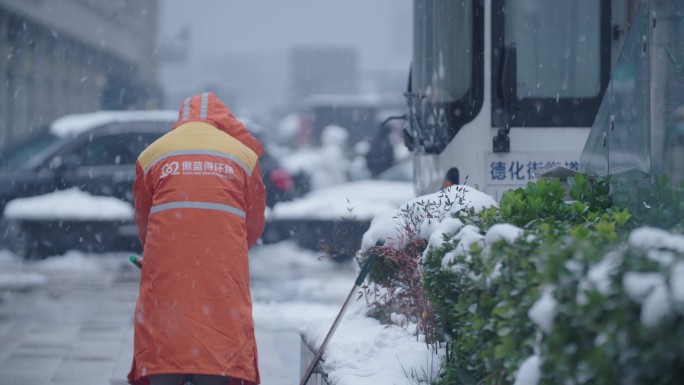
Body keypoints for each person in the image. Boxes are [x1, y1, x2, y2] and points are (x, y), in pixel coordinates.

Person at [127, 92, 266, 385]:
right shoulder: (242, 157)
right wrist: (223, 249)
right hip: (221, 284)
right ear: (224, 122)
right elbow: (252, 225)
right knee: (219, 354)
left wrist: (162, 252)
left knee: (164, 354)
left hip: (166, 283)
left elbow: (144, 220)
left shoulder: (153, 153)